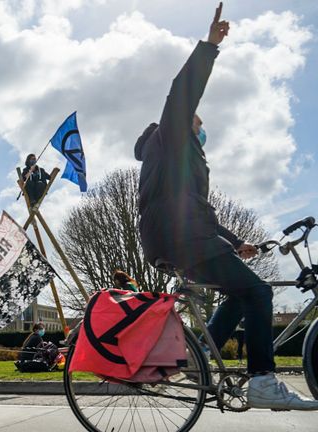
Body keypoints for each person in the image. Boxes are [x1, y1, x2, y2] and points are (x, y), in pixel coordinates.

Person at [134, 3, 318, 410]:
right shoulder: (171, 139)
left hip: (185, 236)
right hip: (182, 240)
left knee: (239, 294)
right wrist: (210, 46)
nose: (202, 131)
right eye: (199, 125)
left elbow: (199, 211)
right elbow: (182, 92)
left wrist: (236, 243)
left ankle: (201, 360)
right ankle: (263, 380)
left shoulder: (177, 162)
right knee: (259, 291)